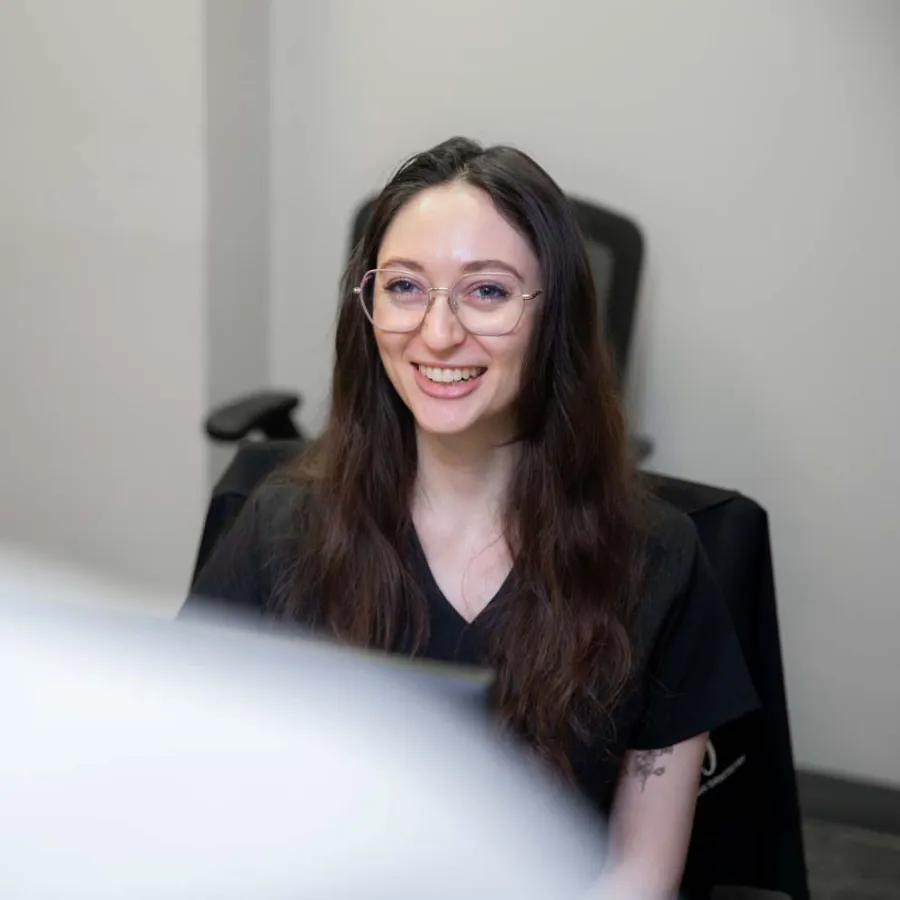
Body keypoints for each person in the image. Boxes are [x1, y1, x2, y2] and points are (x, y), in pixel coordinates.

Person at [187, 137, 758, 898]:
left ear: (554, 315)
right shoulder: (280, 531)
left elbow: (639, 870)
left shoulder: (655, 558)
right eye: (404, 288)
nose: (439, 332)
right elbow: (195, 802)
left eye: (486, 292)